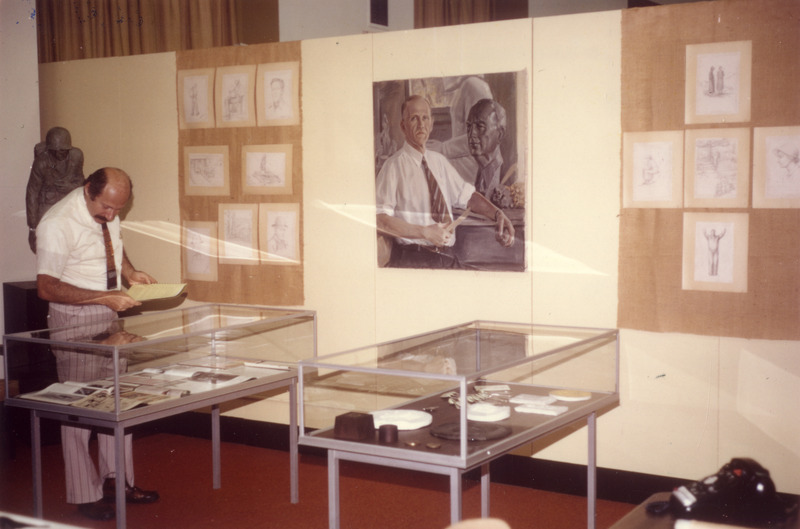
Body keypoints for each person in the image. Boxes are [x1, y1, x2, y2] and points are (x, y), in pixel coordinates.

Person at [35, 167, 159, 521]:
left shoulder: (107, 211)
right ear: (88, 189)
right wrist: (104, 298)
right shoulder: (57, 223)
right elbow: (47, 286)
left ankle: (118, 481)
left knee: (117, 400)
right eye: (106, 207)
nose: (111, 215)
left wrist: (129, 273)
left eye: (118, 209)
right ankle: (84, 493)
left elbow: (113, 246)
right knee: (81, 407)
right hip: (73, 320)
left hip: (107, 312)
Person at [376, 95, 515, 269]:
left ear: (432, 123)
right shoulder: (393, 166)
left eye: (425, 118)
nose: (421, 125)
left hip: (447, 256)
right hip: (413, 259)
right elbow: (380, 219)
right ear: (403, 126)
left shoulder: (439, 161)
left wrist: (498, 214)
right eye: (414, 119)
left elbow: (469, 197)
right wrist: (425, 232)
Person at [26, 126, 85, 252]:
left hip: (69, 203)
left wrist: (70, 187)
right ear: (49, 150)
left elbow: (81, 182)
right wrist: (32, 227)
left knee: (71, 244)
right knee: (46, 244)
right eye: (55, 151)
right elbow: (32, 193)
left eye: (63, 150)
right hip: (47, 205)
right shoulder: (41, 163)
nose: (59, 154)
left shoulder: (76, 156)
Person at [466, 98, 515, 204]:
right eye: (469, 126)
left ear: (500, 134)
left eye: (480, 126)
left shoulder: (513, 175)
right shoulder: (470, 175)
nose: (471, 134)